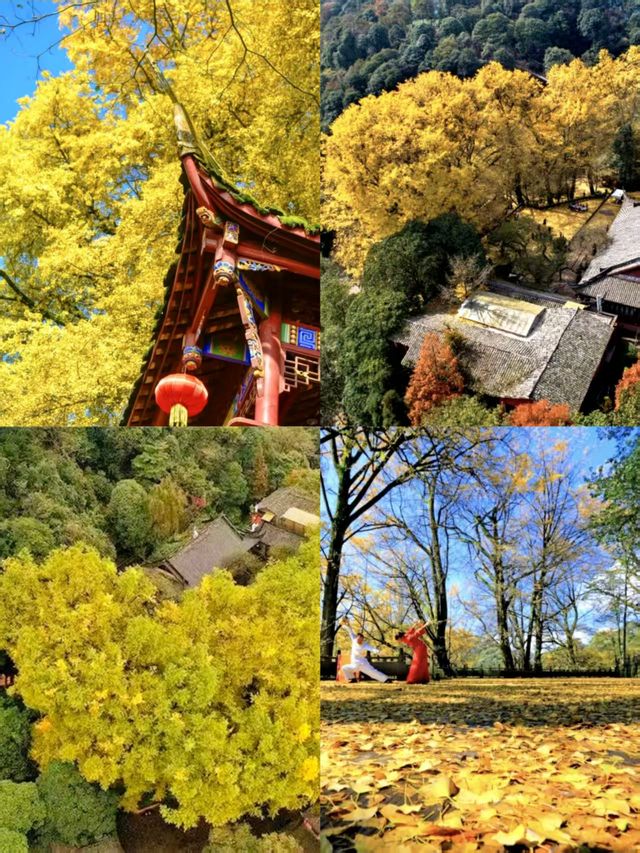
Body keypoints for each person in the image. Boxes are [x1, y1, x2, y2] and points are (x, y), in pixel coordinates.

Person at [340, 618, 391, 683]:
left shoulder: (364, 645)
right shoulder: (354, 639)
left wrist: (378, 652)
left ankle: (386, 679)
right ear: (357, 638)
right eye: (359, 639)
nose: (360, 640)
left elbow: (372, 648)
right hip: (354, 664)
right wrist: (345, 624)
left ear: (363, 639)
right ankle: (352, 679)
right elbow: (350, 630)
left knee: (372, 672)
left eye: (361, 639)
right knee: (344, 668)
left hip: (363, 664)